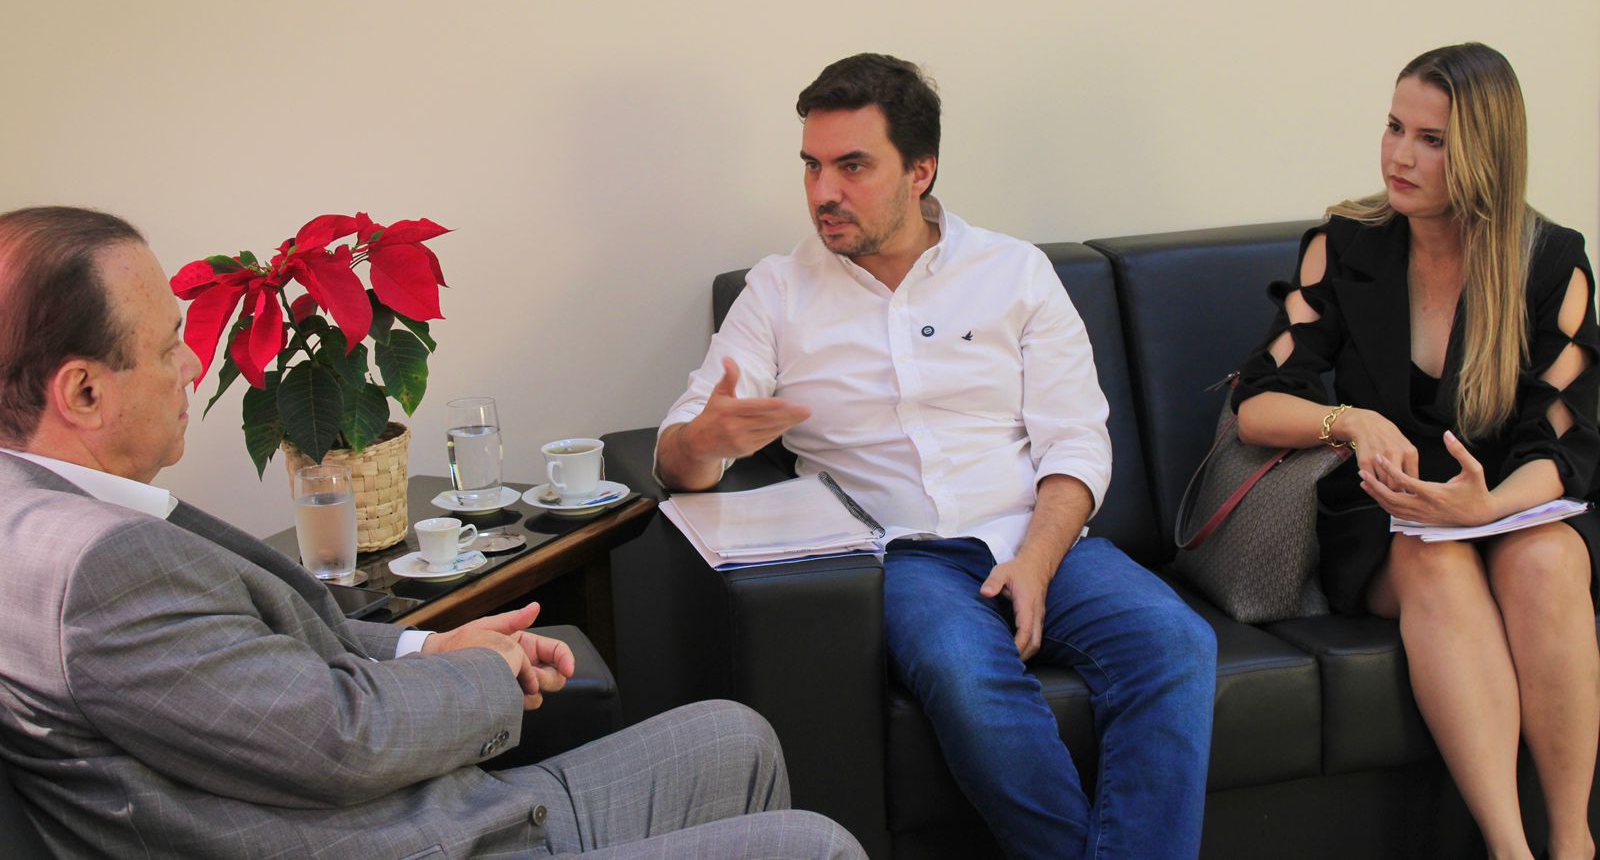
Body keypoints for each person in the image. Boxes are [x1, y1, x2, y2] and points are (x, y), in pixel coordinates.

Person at [0, 205, 864, 860]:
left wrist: (429, 648)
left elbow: (276, 670)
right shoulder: (93, 569)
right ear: (83, 392)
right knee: (816, 847)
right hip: (412, 839)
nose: (192, 365)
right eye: (165, 348)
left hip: (431, 813)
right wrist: (490, 674)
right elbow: (340, 739)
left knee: (735, 738)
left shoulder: (57, 518)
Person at [655, 53, 1217, 860]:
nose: (823, 192)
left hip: (1042, 533)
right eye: (812, 166)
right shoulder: (776, 293)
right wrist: (704, 442)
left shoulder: (1014, 273)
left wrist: (1037, 560)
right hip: (902, 558)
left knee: (1176, 643)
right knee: (964, 672)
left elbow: (1076, 439)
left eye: (852, 166)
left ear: (921, 171)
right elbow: (678, 454)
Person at [1232, 43, 1600, 860]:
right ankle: (1510, 850)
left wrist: (1488, 505)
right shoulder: (1346, 242)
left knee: (1548, 562)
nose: (1399, 155)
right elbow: (1256, 403)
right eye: (1395, 127)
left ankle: (1574, 841)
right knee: (1436, 558)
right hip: (1387, 516)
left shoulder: (1551, 262)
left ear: (1485, 153)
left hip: (1510, 502)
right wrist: (1351, 421)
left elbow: (1566, 443)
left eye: (1431, 140)